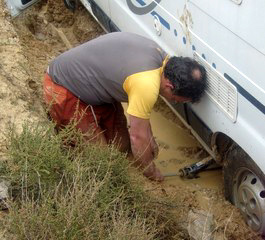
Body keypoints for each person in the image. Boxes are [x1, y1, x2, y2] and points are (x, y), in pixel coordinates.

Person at [43, 32, 207, 182]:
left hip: (95, 87)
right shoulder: (147, 83)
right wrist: (151, 172)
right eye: (178, 99)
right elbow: (137, 136)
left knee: (122, 146)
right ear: (170, 85)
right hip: (64, 87)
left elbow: (140, 121)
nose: (176, 102)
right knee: (100, 159)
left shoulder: (162, 61)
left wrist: (149, 141)